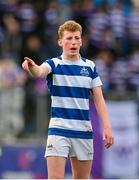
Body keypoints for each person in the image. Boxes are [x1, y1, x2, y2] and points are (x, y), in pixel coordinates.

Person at [22, 20, 114, 179]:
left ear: (81, 41)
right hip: (59, 130)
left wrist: (107, 126)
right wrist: (31, 67)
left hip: (83, 131)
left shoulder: (90, 66)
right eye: (69, 38)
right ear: (60, 42)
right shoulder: (54, 64)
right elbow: (39, 72)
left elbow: (99, 99)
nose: (74, 42)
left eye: (77, 38)